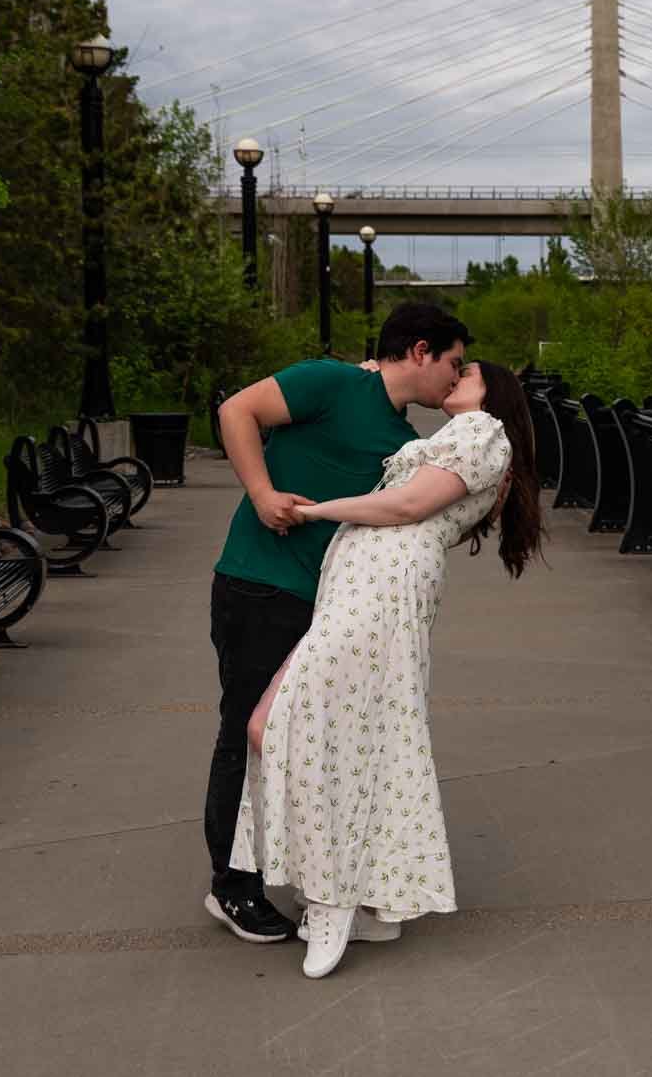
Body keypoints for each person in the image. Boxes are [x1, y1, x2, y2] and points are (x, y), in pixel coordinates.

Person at [230, 360, 544, 978]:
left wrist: (317, 511)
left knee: (303, 727)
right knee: (302, 728)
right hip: (358, 583)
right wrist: (367, 370)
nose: (455, 377)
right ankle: (372, 899)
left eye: (468, 371)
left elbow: (407, 507)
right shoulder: (457, 438)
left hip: (381, 589)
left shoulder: (483, 433)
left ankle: (332, 899)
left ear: (495, 393)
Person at [202, 303, 471, 945]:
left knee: (309, 742)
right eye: (453, 365)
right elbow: (236, 411)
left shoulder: (411, 439)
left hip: (331, 608)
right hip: (261, 584)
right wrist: (263, 493)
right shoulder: (331, 382)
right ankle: (231, 888)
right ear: (420, 350)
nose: (454, 381)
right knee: (246, 730)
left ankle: (307, 875)